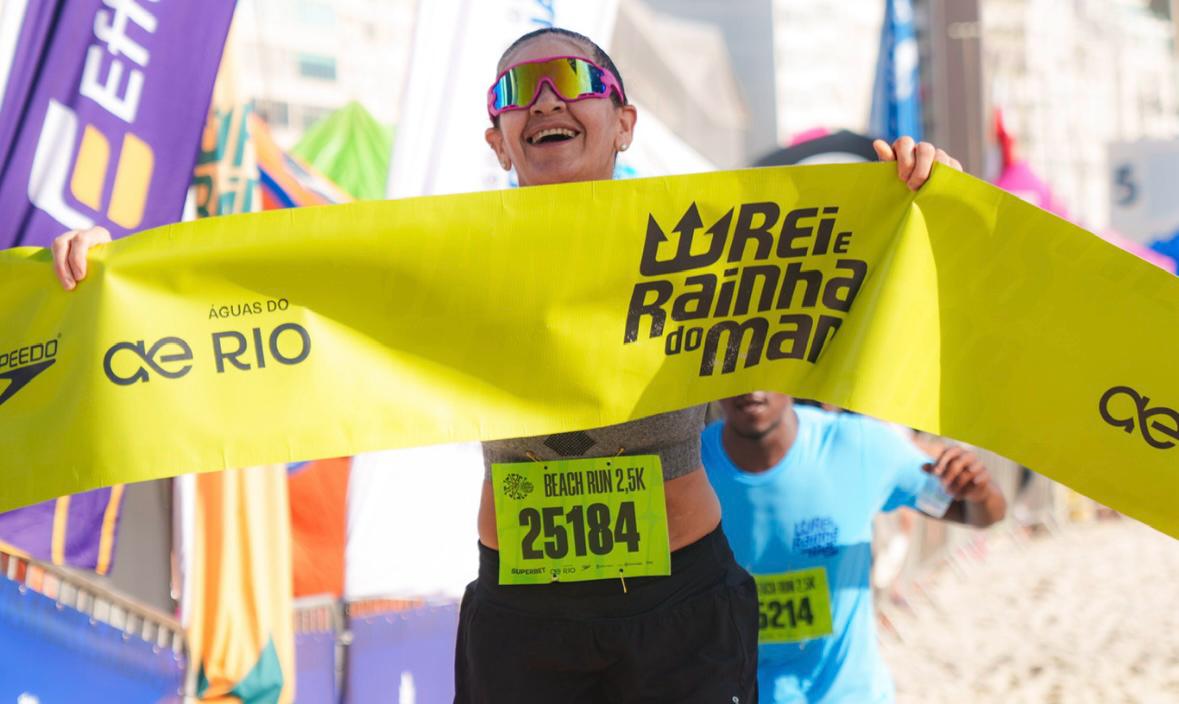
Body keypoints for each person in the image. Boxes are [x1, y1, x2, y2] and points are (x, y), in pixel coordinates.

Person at [49, 26, 963, 704]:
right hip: (525, 610)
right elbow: (273, 284)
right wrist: (122, 267)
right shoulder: (450, 254)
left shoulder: (695, 242)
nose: (546, 101)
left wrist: (915, 195)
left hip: (679, 600)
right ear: (497, 138)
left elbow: (847, 286)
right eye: (518, 91)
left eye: (575, 81)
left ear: (624, 122)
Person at [704, 392, 1006, 703]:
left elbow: (980, 513)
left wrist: (979, 490)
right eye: (737, 370)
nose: (752, 387)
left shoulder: (856, 446)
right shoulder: (693, 471)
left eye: (764, 368)